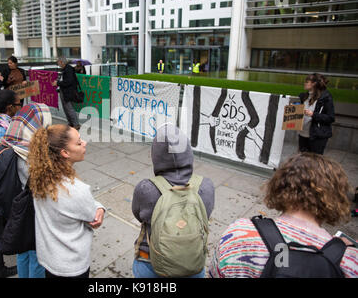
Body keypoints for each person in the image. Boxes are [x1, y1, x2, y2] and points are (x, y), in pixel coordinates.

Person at [209, 152, 357, 278]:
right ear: (335, 198)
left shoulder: (240, 233)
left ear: (280, 185)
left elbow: (214, 273)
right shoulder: (350, 262)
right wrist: (339, 249)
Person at [132, 124, 215, 278]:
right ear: (188, 152)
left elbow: (138, 215)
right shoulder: (206, 186)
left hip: (151, 263)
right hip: (193, 263)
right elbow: (206, 215)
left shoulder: (146, 189)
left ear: (155, 156)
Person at [29, 124, 105, 278]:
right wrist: (100, 208)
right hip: (72, 266)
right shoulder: (75, 190)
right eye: (78, 143)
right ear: (64, 152)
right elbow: (91, 215)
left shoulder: (40, 178)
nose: (85, 143)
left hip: (50, 259)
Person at [0, 102, 53, 278]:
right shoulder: (30, 153)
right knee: (36, 254)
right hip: (30, 210)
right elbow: (41, 188)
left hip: (14, 206)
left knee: (22, 251)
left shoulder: (10, 138)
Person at [298, 73, 335, 155]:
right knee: (302, 160)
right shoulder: (303, 96)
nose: (305, 83)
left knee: (314, 161)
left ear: (314, 84)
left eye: (307, 81)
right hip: (303, 133)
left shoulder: (325, 97)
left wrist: (313, 114)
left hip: (317, 135)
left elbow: (331, 118)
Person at [56, 57, 80, 130]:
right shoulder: (65, 69)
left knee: (69, 108)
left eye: (58, 62)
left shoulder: (68, 69)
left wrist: (57, 83)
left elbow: (68, 81)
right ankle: (70, 122)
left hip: (68, 91)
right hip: (63, 90)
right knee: (65, 108)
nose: (58, 64)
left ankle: (76, 124)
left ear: (62, 62)